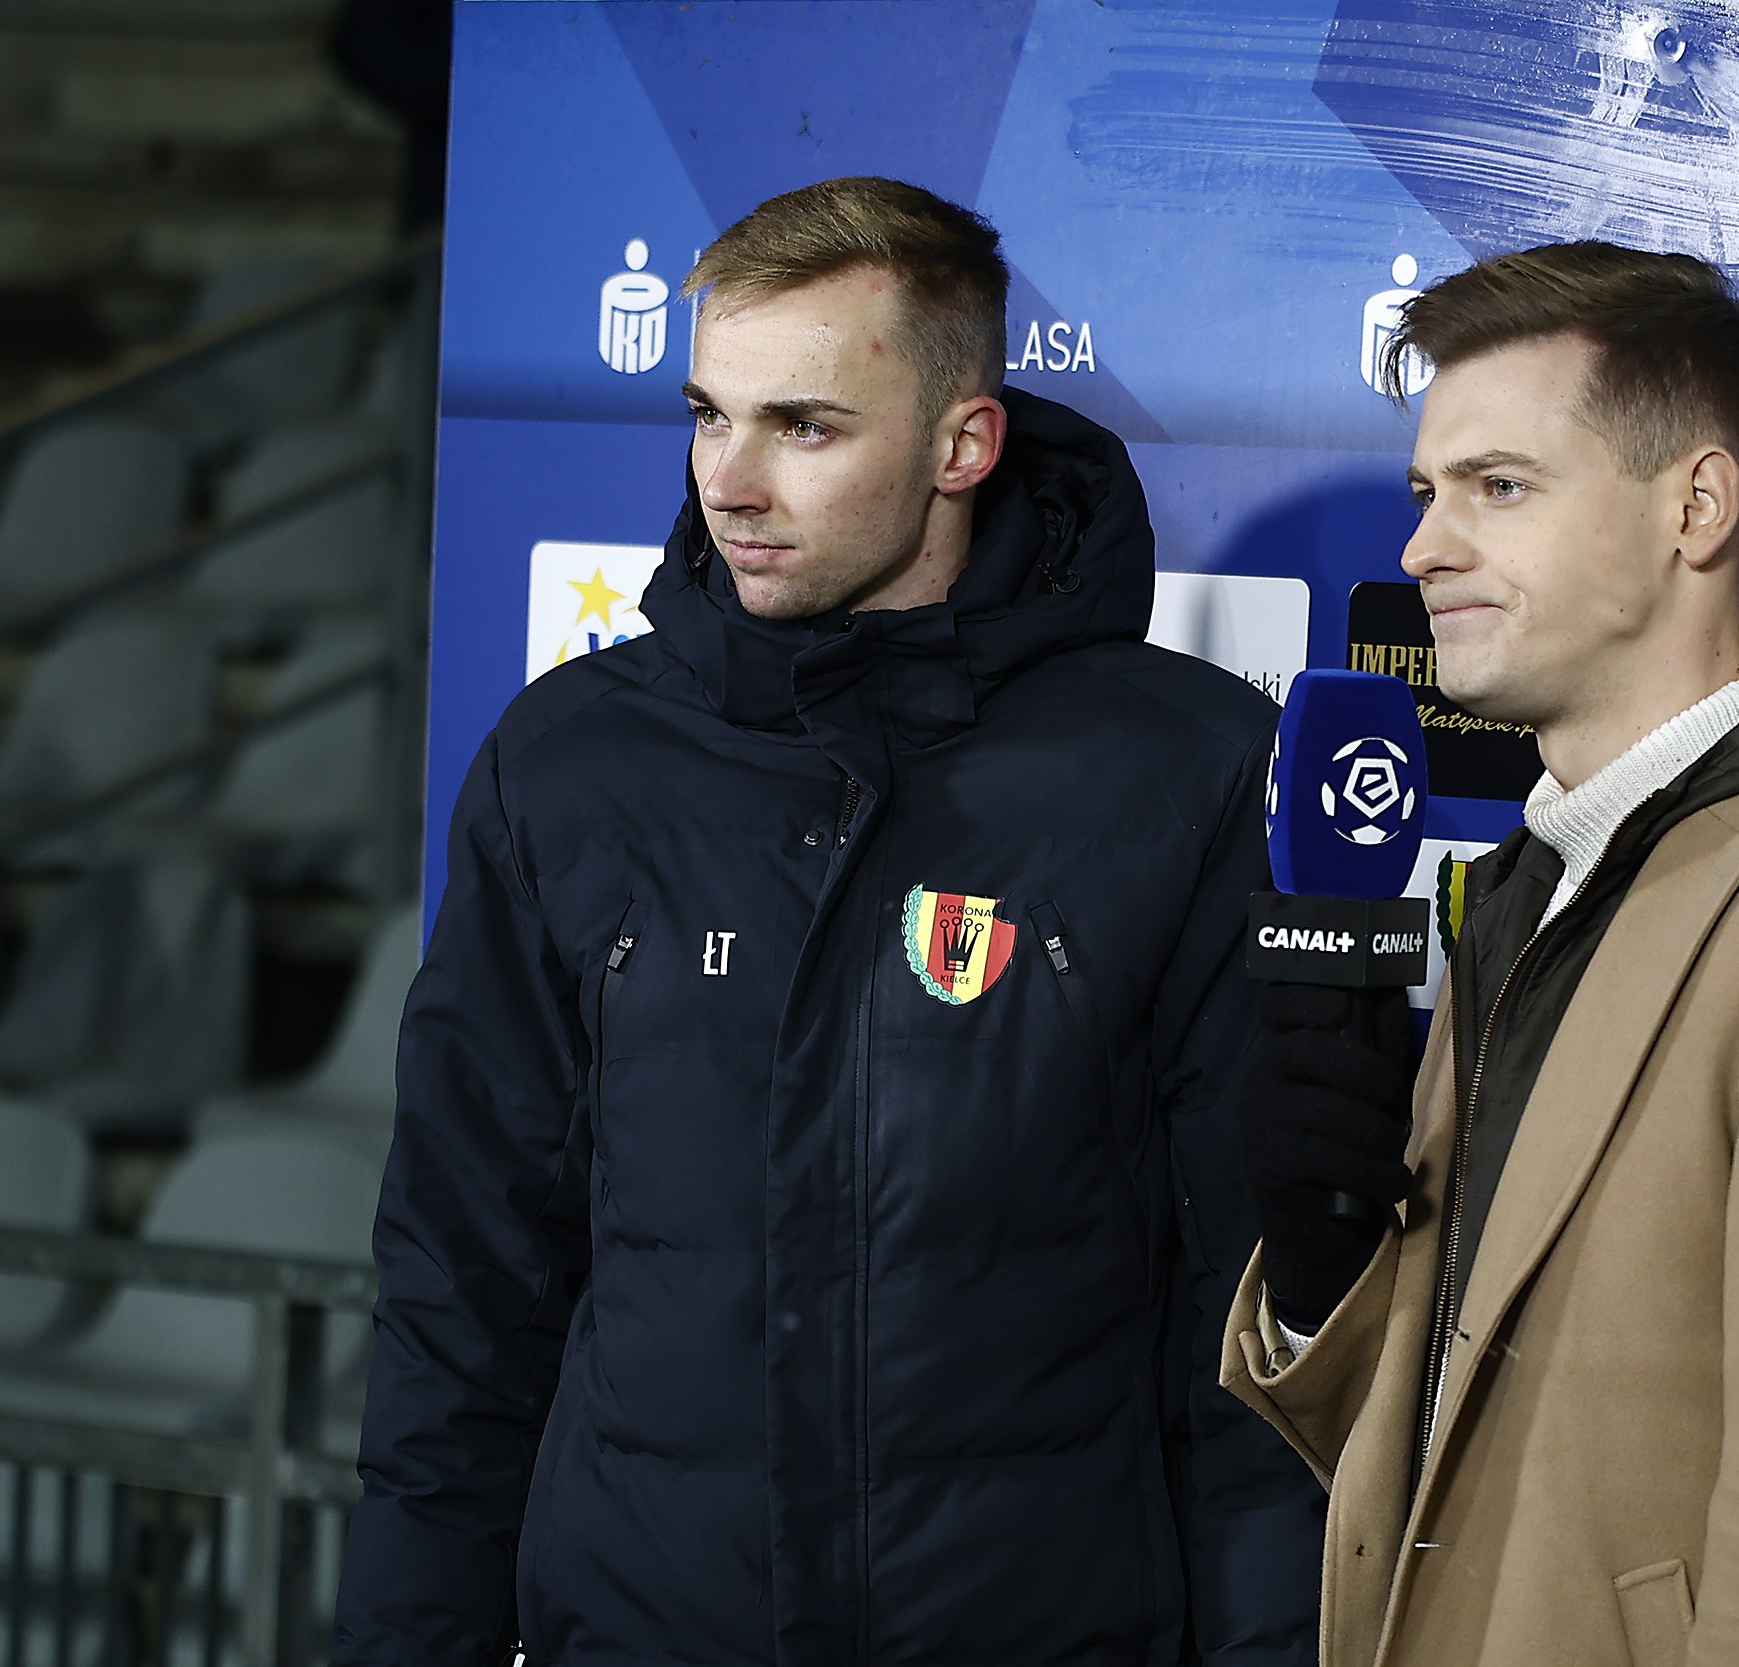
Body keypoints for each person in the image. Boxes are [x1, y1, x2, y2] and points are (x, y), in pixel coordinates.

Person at [336, 177, 1323, 1666]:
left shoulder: (1183, 769)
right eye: (708, 415)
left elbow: (1242, 1332)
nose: (728, 483)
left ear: (963, 445)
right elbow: (462, 1288)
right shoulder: (568, 759)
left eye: (803, 427)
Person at [1223, 243, 1739, 1666]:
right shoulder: (1531, 881)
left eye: (1499, 487)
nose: (1423, 549)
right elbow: (1466, 1470)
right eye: (1426, 494)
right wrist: (1321, 1288)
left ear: (1697, 507)